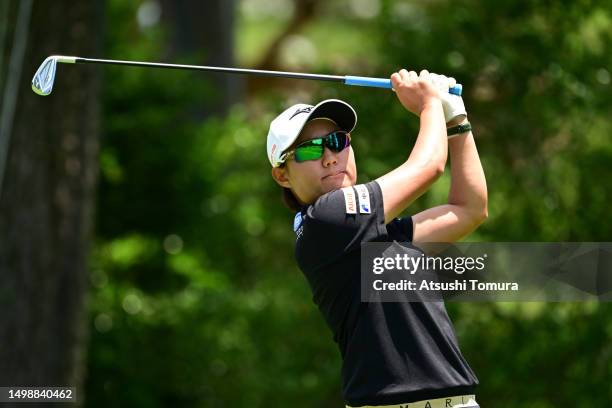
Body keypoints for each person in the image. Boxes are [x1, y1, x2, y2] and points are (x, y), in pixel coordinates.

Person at [266, 69, 488, 408]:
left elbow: (469, 209)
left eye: (337, 141)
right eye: (310, 151)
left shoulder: (366, 232)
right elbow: (429, 167)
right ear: (282, 174)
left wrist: (456, 119)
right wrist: (430, 104)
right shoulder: (326, 221)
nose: (330, 156)